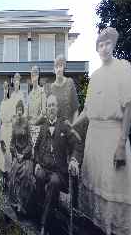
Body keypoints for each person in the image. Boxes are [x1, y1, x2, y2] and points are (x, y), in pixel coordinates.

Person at [69, 27, 131, 235]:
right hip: (94, 139)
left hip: (112, 137)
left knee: (113, 185)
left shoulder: (122, 69)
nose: (104, 48)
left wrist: (121, 144)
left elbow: (128, 109)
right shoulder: (96, 76)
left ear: (113, 45)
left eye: (107, 43)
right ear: (97, 48)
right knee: (94, 185)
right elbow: (88, 110)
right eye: (100, 44)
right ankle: (97, 227)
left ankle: (114, 228)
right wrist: (72, 125)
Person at [34, 94, 82, 235]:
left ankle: (43, 224)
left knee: (54, 182)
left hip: (59, 172)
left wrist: (74, 160)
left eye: (53, 105)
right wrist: (37, 162)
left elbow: (77, 145)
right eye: (48, 105)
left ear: (57, 107)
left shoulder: (65, 126)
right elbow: (36, 148)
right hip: (44, 167)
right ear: (46, 108)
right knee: (39, 176)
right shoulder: (43, 128)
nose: (51, 108)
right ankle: (43, 214)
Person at [8, 100, 35, 217]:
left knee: (26, 174)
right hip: (17, 156)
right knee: (12, 174)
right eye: (17, 109)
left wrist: (23, 154)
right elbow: (11, 143)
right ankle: (15, 202)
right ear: (16, 111)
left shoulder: (26, 123)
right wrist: (15, 153)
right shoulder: (14, 125)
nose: (19, 112)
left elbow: (30, 143)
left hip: (26, 157)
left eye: (21, 110)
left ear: (23, 111)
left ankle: (23, 204)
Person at [50, 54, 79, 123]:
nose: (59, 69)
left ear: (64, 67)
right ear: (54, 69)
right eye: (56, 67)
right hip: (57, 128)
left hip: (69, 127)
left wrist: (73, 126)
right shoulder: (52, 87)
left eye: (61, 66)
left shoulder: (70, 82)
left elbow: (76, 109)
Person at [0, 81, 12, 194]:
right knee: (2, 155)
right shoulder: (2, 103)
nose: (5, 90)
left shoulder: (10, 102)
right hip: (3, 130)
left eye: (7, 89)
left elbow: (11, 118)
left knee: (8, 154)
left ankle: (9, 181)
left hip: (9, 129)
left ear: (8, 90)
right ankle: (3, 180)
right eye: (4, 88)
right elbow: (0, 120)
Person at [27, 66, 47, 145]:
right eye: (31, 73)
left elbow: (44, 113)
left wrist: (34, 122)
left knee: (37, 154)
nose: (33, 75)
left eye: (35, 72)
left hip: (38, 129)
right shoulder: (29, 95)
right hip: (29, 129)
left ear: (38, 75)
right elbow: (26, 112)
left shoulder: (42, 92)